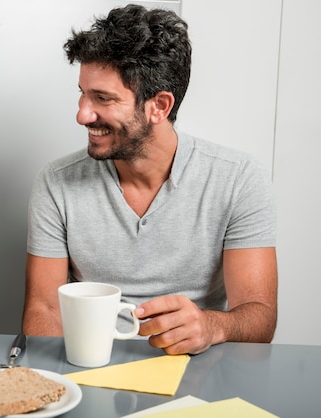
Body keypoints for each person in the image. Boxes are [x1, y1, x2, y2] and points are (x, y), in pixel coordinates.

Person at [22, 5, 277, 355]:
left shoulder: (239, 179)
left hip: (196, 368)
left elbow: (260, 317)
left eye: (103, 98)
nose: (82, 113)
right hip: (91, 366)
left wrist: (211, 326)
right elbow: (44, 310)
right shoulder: (56, 182)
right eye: (82, 92)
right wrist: (61, 384)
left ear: (159, 106)